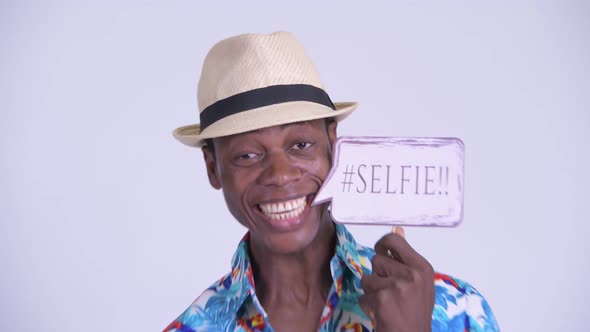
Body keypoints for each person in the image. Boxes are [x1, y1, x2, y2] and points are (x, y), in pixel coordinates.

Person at [165, 31, 498, 332]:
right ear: (213, 167)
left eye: (300, 145)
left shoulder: (456, 311)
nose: (280, 174)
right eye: (247, 155)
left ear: (334, 144)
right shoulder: (193, 327)